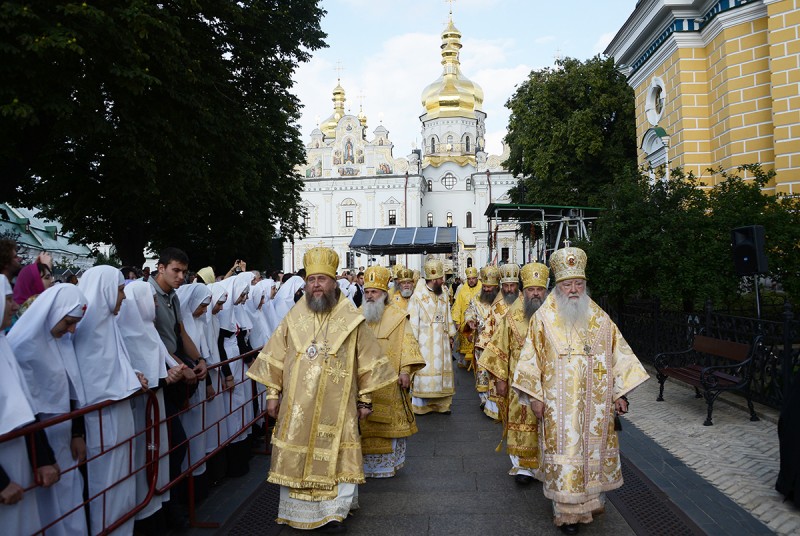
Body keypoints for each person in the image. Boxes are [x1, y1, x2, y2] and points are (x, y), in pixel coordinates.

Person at [246, 247, 395, 532]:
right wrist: (272, 394)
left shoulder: (351, 319)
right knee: (297, 456)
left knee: (338, 457)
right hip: (297, 405)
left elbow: (367, 361)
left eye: (322, 279)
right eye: (311, 279)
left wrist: (365, 400)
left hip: (338, 406)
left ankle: (333, 512)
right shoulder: (293, 318)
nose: (316, 284)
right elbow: (276, 356)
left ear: (334, 282)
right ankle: (297, 512)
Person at [512, 246, 649, 534]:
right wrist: (535, 396)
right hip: (557, 405)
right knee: (565, 454)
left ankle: (590, 504)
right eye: (567, 284)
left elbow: (619, 355)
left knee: (591, 455)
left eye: (578, 284)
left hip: (594, 406)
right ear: (558, 287)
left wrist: (619, 394)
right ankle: (566, 513)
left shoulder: (599, 318)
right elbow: (529, 359)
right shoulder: (543, 319)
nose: (573, 290)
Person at [74, 265, 146, 536]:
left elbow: (117, 365)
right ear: (104, 290)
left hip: (119, 414)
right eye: (119, 290)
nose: (124, 298)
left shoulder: (109, 325)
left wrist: (133, 375)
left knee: (123, 478)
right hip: (100, 421)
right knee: (107, 484)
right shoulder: (85, 330)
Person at [117, 281, 182, 527]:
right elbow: (144, 380)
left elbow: (162, 362)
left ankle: (162, 504)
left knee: (163, 454)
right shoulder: (127, 332)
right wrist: (167, 378)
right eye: (151, 298)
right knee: (146, 457)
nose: (155, 303)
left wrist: (172, 372)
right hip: (142, 410)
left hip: (157, 405)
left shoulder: (148, 329)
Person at [1, 276, 61, 535]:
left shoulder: (2, 344)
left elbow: (25, 406)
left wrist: (44, 458)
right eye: (7, 299)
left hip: (17, 461)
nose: (15, 306)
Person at [480, 262, 549, 486]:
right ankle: (523, 468)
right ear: (525, 290)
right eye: (531, 289)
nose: (536, 293)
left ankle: (547, 466)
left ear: (545, 290)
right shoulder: (511, 316)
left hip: (549, 383)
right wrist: (499, 379)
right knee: (520, 422)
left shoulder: (555, 316)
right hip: (518, 382)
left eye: (539, 289)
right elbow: (499, 346)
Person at [358, 266, 425, 478]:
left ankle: (386, 466)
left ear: (384, 294)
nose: (369, 296)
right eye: (367, 292)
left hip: (390, 380)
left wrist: (405, 370)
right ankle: (362, 466)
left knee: (388, 422)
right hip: (362, 382)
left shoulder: (397, 317)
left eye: (374, 292)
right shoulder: (357, 316)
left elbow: (408, 344)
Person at [407, 259, 457, 415]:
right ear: (433, 279)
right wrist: (412, 344)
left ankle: (442, 405)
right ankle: (421, 406)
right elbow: (413, 323)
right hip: (424, 343)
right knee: (424, 373)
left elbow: (447, 314)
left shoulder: (444, 294)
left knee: (443, 374)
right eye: (441, 278)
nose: (443, 281)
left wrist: (450, 334)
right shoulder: (417, 297)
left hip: (441, 343)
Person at [475, 263, 520, 420]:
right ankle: (497, 410)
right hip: (500, 350)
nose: (509, 289)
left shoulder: (523, 301)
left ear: (517, 285)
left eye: (512, 285)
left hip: (519, 352)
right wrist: (483, 344)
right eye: (506, 286)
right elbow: (489, 326)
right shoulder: (497, 304)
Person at [465, 266, 500, 413]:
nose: (486, 290)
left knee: (496, 373)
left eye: (490, 287)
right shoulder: (476, 299)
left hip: (499, 344)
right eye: (484, 286)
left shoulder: (503, 299)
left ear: (496, 286)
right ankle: (484, 399)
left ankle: (497, 401)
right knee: (482, 372)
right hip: (481, 344)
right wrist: (469, 320)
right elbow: (469, 311)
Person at [451, 266, 482, 369]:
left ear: (477, 278)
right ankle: (464, 361)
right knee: (463, 343)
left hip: (478, 323)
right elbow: (457, 306)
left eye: (473, 278)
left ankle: (477, 362)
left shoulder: (482, 289)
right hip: (464, 322)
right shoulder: (462, 289)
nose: (471, 281)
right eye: (469, 279)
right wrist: (457, 321)